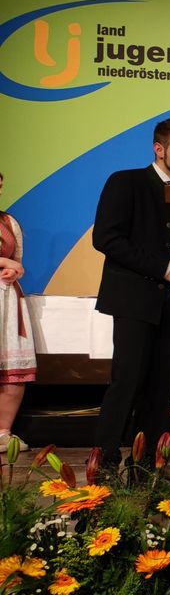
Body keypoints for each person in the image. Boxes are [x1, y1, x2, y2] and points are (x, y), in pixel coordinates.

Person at [92, 118, 170, 462]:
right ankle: (104, 464)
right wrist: (163, 267)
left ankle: (146, 467)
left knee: (161, 391)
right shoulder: (127, 182)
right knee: (127, 384)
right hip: (136, 302)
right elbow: (106, 238)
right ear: (159, 149)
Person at [0, 171, 36, 450]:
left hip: (6, 299)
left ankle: (3, 432)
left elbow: (18, 261)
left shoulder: (9, 223)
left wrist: (16, 269)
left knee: (12, 366)